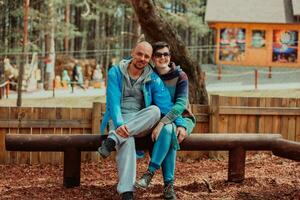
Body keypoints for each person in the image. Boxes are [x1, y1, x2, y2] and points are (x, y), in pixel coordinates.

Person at [97, 41, 186, 200]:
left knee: (155, 111)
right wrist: (119, 124)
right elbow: (113, 102)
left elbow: (165, 104)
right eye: (139, 54)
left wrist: (180, 124)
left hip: (140, 121)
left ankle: (112, 140)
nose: (142, 58)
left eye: (146, 56)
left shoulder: (152, 77)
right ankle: (127, 192)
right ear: (132, 52)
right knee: (127, 139)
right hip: (119, 119)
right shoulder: (115, 72)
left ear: (149, 58)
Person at [135, 41, 196, 200]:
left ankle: (150, 174)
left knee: (170, 131)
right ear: (153, 58)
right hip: (157, 119)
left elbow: (181, 104)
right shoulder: (149, 76)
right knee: (168, 131)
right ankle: (169, 186)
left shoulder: (180, 76)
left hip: (182, 118)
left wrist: (166, 123)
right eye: (158, 55)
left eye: (166, 54)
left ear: (170, 56)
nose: (163, 57)